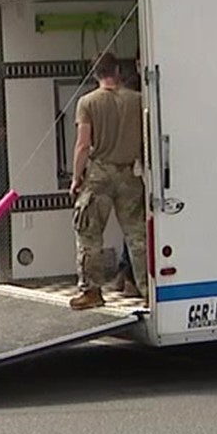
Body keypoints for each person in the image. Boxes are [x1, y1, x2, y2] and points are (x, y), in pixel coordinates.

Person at [68, 51, 149, 309]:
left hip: (99, 176)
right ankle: (148, 288)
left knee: (89, 236)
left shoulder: (87, 103)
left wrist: (76, 177)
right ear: (118, 71)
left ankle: (91, 292)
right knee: (138, 236)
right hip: (129, 174)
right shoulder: (138, 100)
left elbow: (83, 145)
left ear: (96, 75)